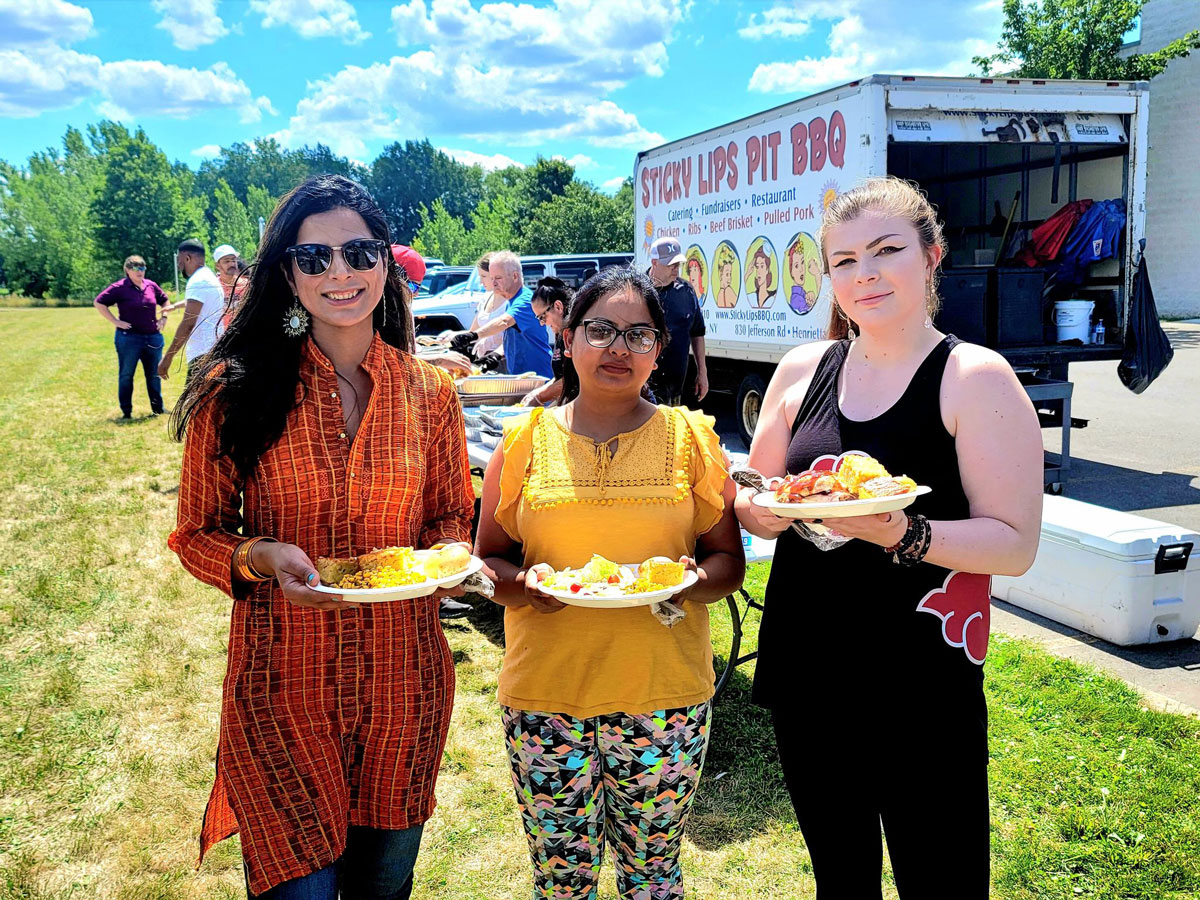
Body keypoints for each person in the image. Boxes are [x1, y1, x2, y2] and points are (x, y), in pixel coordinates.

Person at [733, 176, 1042, 898]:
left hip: (920, 681)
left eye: (885, 251)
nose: (862, 274)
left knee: (942, 880)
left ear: (931, 256)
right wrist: (767, 512)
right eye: (843, 260)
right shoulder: (802, 369)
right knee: (840, 879)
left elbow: (1014, 543)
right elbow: (756, 498)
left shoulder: (973, 376)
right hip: (809, 664)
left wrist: (904, 533)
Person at [167, 174, 475, 899]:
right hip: (283, 692)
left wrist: (452, 555)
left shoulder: (429, 393)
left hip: (406, 689)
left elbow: (449, 515)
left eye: (359, 253)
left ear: (385, 265)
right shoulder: (233, 390)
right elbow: (197, 534)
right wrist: (259, 557)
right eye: (315, 259)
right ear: (286, 274)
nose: (341, 272)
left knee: (383, 891)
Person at [477, 266, 745, 900]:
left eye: (639, 335)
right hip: (547, 696)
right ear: (566, 339)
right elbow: (488, 560)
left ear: (660, 349)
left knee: (652, 875)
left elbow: (726, 561)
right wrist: (526, 587)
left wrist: (687, 585)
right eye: (599, 330)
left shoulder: (692, 441)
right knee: (561, 877)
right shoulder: (523, 441)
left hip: (662, 696)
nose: (618, 348)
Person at [448, 251, 552, 378]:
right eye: (491, 278)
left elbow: (504, 322)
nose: (494, 283)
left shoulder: (525, 300)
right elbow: (513, 340)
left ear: (515, 276)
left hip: (539, 378)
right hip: (521, 379)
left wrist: (473, 335)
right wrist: (495, 356)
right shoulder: (510, 302)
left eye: (498, 278)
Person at [93, 254, 170, 419]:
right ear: (127, 270)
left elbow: (165, 301)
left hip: (152, 337)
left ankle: (158, 408)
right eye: (136, 268)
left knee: (154, 374)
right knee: (127, 374)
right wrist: (115, 321)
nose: (140, 271)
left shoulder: (151, 286)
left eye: (142, 268)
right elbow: (99, 302)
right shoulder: (119, 287)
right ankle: (126, 412)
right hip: (129, 338)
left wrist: (164, 318)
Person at [647, 236, 708, 405]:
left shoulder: (686, 291)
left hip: (677, 387)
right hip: (644, 388)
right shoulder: (639, 291)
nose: (676, 269)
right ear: (654, 262)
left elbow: (697, 332)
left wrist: (702, 372)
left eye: (678, 265)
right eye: (670, 265)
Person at [158, 238, 224, 380]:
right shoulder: (209, 277)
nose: (179, 266)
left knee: (192, 402)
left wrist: (167, 358)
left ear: (187, 258)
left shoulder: (198, 281)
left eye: (180, 262)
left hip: (202, 355)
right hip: (214, 350)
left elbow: (188, 324)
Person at [519, 276, 572, 406]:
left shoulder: (577, 333)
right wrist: (536, 393)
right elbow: (561, 377)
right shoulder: (560, 333)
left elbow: (574, 379)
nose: (542, 323)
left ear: (558, 307)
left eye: (542, 317)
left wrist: (540, 396)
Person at [468, 252, 507, 360]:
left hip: (503, 359)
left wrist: (491, 346)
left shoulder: (511, 301)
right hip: (483, 358)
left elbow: (515, 339)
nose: (481, 282)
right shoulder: (485, 299)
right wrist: (450, 337)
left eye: (483, 276)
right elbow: (473, 332)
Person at [214, 244, 247, 332]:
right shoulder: (214, 287)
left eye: (233, 260)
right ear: (217, 265)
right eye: (227, 261)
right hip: (221, 336)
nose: (232, 264)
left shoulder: (246, 285)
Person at [714, 244, 739, 309]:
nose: (729, 279)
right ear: (720, 274)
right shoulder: (728, 291)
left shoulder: (720, 294)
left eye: (730, 274)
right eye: (727, 274)